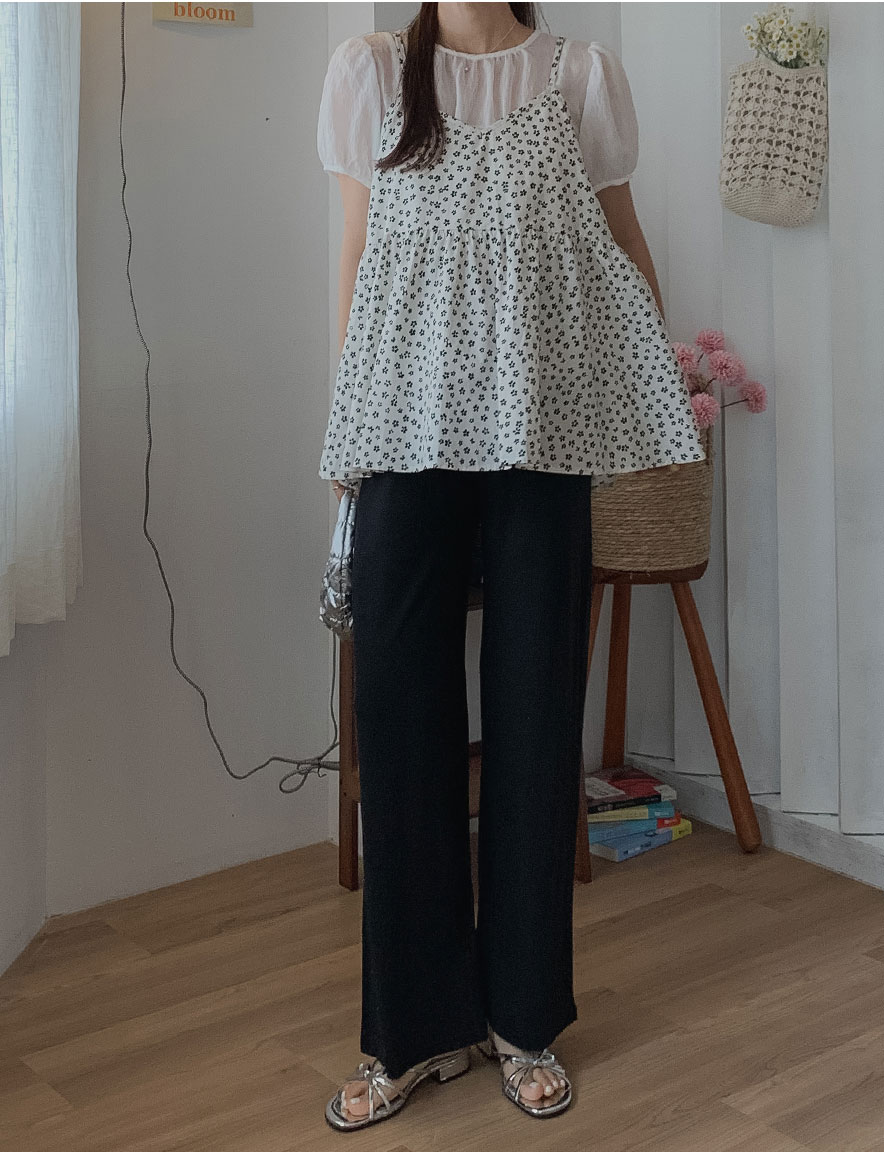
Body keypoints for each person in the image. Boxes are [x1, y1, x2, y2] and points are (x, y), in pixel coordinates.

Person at [316, 2, 706, 1131]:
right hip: (402, 441)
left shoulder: (582, 78)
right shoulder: (370, 73)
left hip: (543, 442)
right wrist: (347, 437)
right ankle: (413, 1031)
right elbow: (357, 260)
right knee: (400, 725)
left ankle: (524, 1017)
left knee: (537, 724)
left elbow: (621, 251)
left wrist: (654, 405)